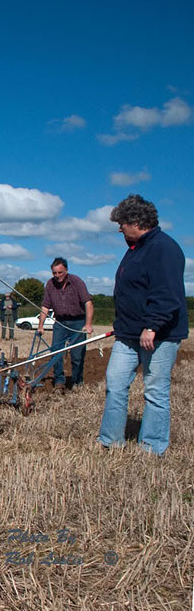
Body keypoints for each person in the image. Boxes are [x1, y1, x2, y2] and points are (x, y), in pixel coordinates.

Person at [97, 195, 188, 455]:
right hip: (127, 335)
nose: (119, 228)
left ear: (137, 222)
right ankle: (110, 441)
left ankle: (152, 447)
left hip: (159, 335)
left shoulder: (163, 248)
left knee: (155, 390)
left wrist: (152, 326)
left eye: (122, 223)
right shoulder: (135, 249)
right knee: (115, 384)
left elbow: (167, 294)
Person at [37, 257, 94, 389]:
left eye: (60, 272)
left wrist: (88, 324)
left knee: (77, 355)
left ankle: (77, 383)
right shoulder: (50, 284)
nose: (57, 276)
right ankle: (59, 382)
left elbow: (88, 303)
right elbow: (45, 306)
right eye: (54, 273)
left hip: (78, 322)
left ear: (66, 270)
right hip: (60, 322)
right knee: (55, 352)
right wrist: (40, 326)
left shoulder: (76, 282)